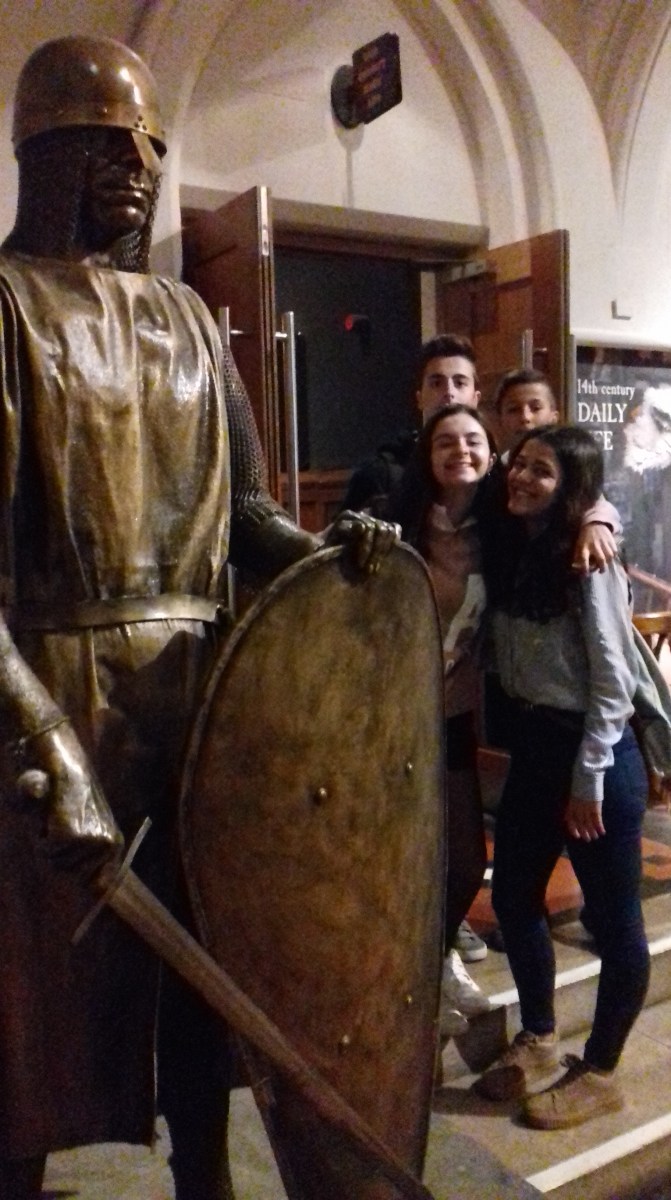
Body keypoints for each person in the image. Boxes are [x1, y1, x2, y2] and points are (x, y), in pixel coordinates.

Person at [0, 36, 398, 1200]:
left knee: (200, 988)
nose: (133, 168)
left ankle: (206, 1183)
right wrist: (46, 741)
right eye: (104, 145)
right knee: (35, 1008)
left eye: (147, 150)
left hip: (199, 708)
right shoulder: (6, 307)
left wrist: (330, 557)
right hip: (52, 699)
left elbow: (248, 519)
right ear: (46, 155)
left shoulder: (184, 317)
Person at [475, 424, 661, 1129]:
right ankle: (540, 1037)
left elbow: (613, 684)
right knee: (515, 897)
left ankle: (601, 1071)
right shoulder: (516, 546)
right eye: (519, 464)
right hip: (535, 752)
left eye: (542, 472)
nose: (522, 477)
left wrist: (588, 779)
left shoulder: (589, 562)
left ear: (571, 489)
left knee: (614, 923)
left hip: (595, 758)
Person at [389, 403, 497, 1034]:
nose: (461, 450)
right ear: (427, 458)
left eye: (473, 440)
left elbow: (573, 498)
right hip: (393, 716)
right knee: (404, 852)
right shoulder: (400, 526)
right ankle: (409, 979)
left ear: (491, 452)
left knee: (464, 859)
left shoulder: (503, 527)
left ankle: (438, 959)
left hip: (453, 715)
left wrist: (599, 517)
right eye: (446, 442)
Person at [339, 332, 481, 518]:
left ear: (475, 399)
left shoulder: (493, 477)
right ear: (419, 398)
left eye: (460, 383)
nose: (449, 392)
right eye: (436, 383)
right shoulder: (380, 475)